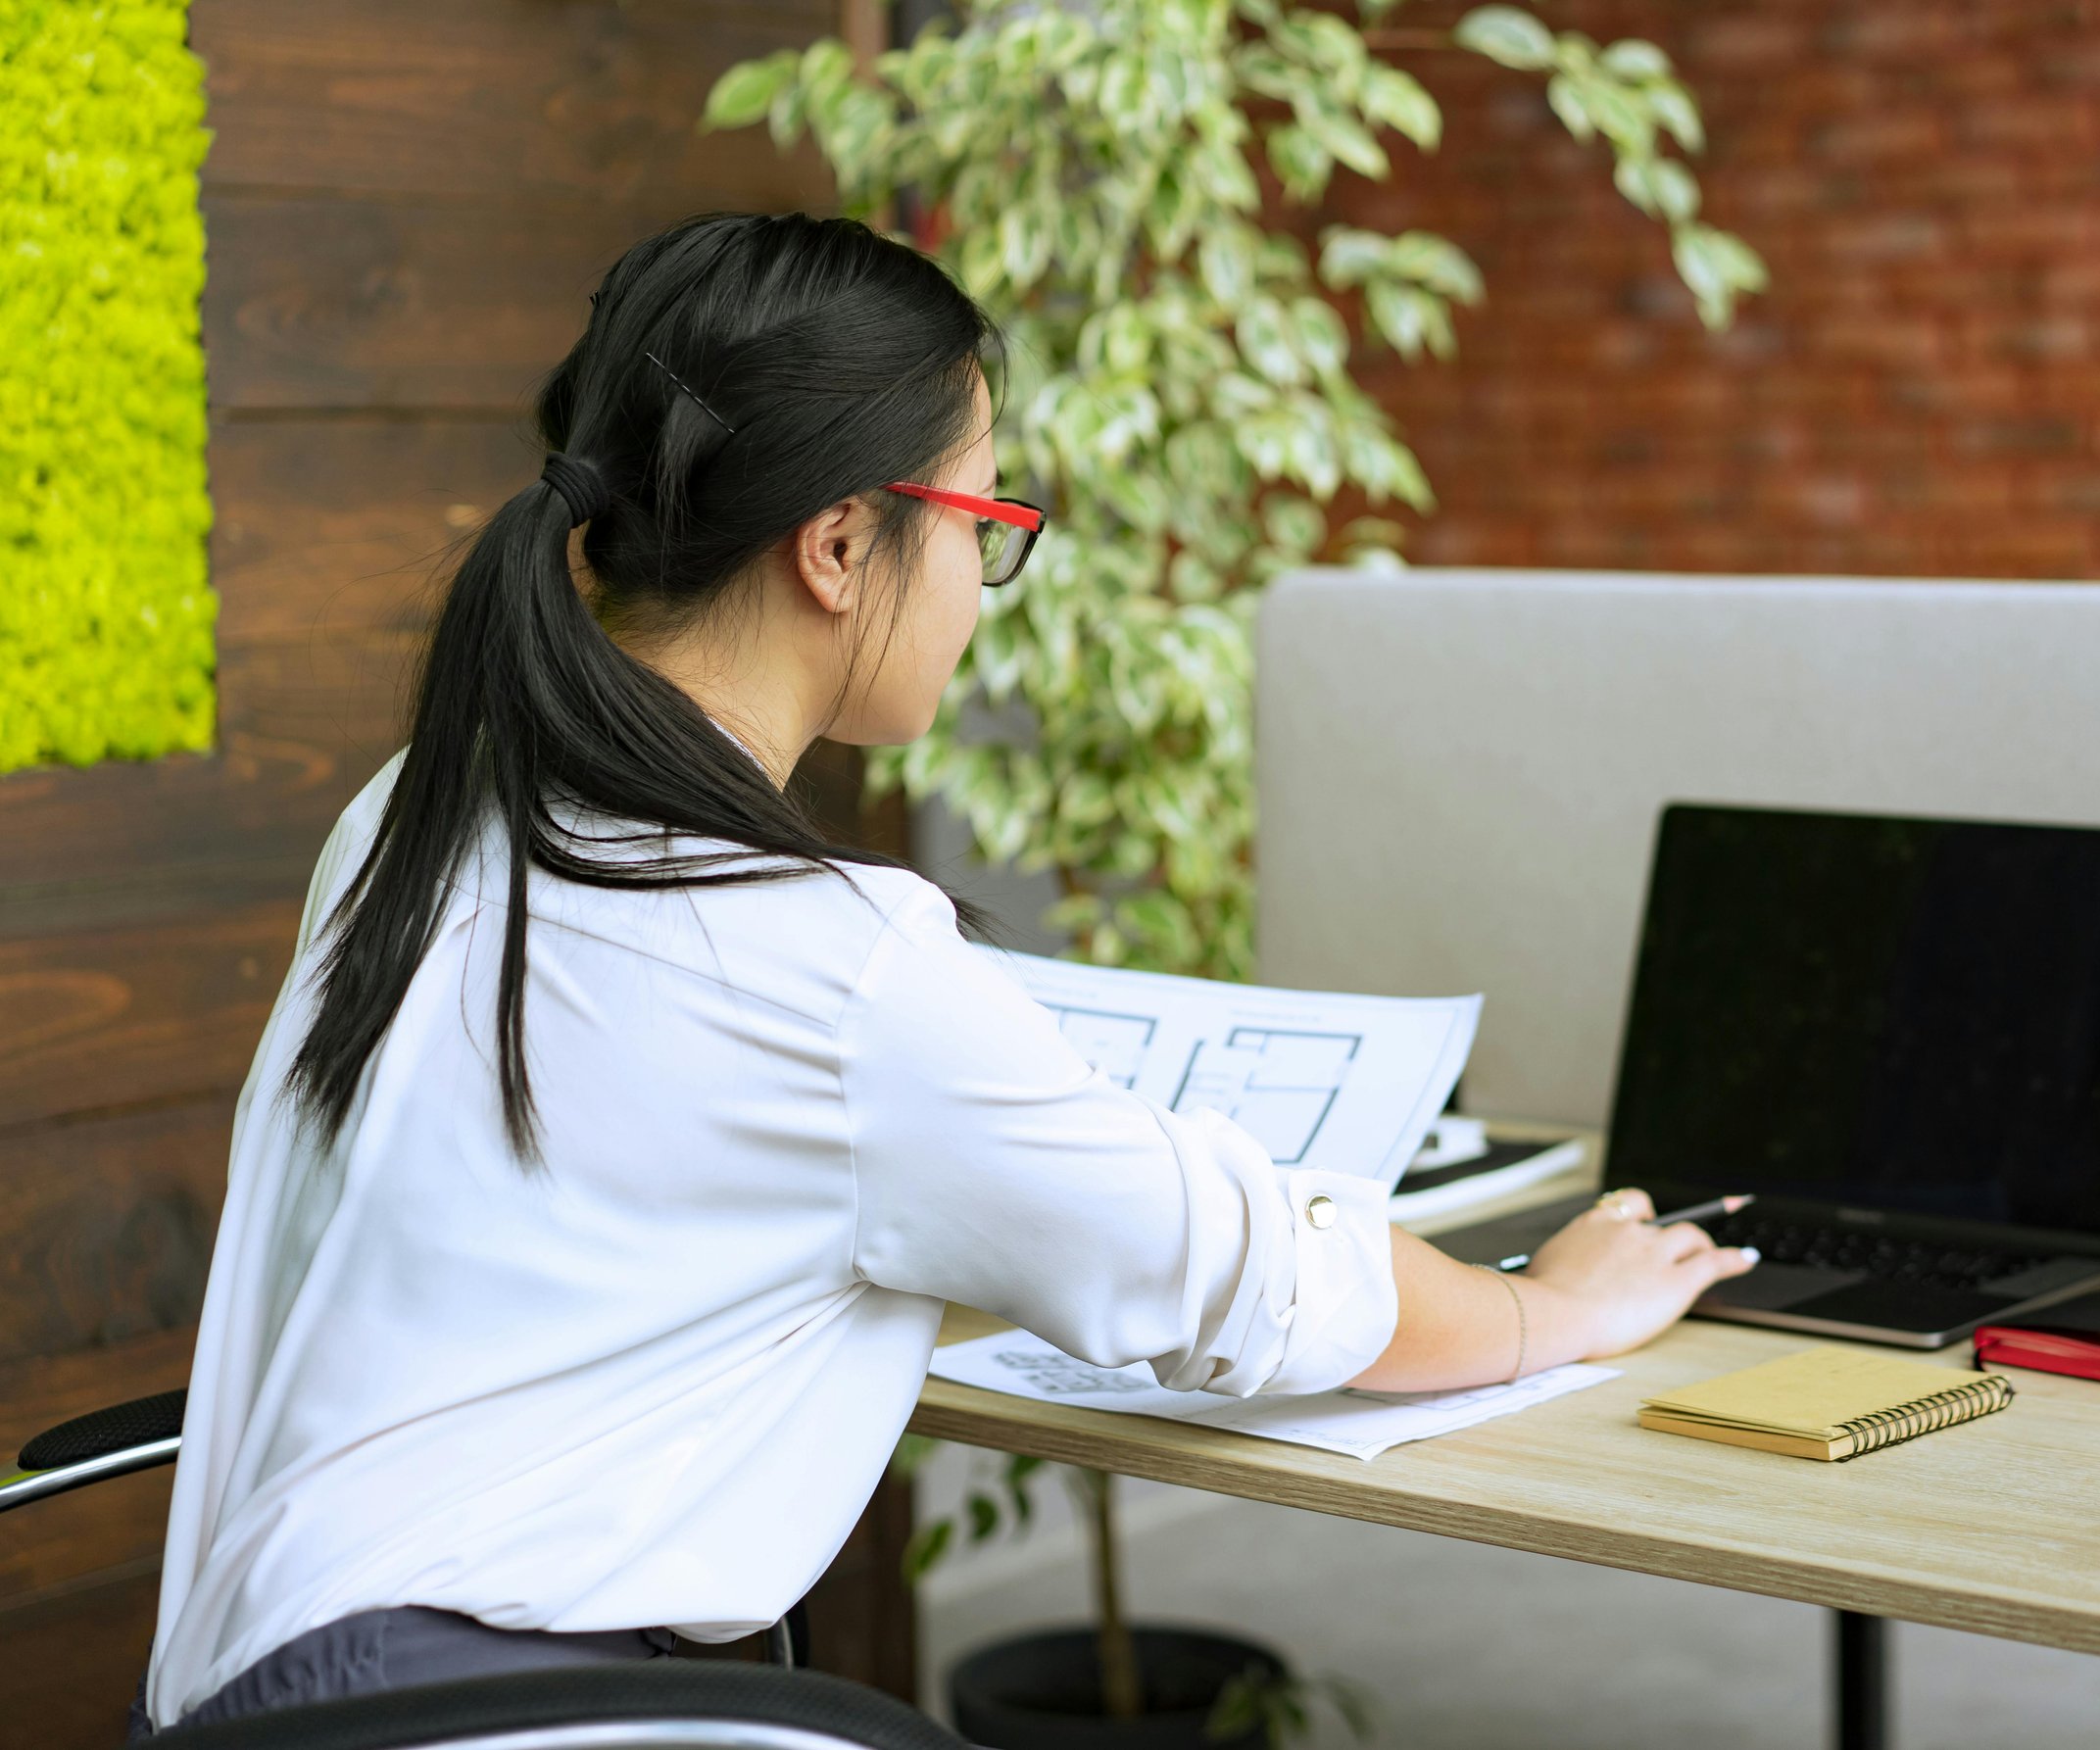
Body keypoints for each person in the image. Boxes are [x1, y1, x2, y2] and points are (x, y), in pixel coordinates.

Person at [138, 213, 1757, 1735]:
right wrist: (1551, 1307)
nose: (986, 584)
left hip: (254, 1684)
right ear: (840, 544)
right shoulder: (823, 960)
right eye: (985, 524)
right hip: (501, 1713)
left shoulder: (423, 807)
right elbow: (1245, 1272)